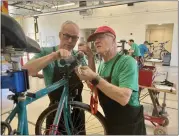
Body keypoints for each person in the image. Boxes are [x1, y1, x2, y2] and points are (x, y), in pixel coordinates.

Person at [23, 20, 95, 134]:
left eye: (74, 37)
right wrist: (53, 56)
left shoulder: (78, 56)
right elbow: (26, 71)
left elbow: (91, 83)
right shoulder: (46, 51)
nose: (70, 41)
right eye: (66, 36)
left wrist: (91, 58)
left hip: (77, 109)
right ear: (60, 35)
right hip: (55, 110)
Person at [75, 26, 146, 135]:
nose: (96, 41)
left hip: (130, 125)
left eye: (101, 37)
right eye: (95, 39)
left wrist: (94, 77)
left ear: (113, 40)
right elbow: (95, 86)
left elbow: (123, 98)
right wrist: (90, 56)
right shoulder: (102, 65)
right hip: (111, 121)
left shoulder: (127, 62)